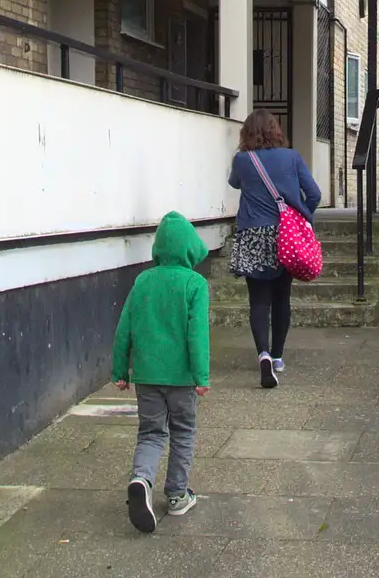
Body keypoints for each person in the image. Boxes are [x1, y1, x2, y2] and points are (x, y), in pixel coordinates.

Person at [111, 211, 210, 534]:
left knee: (151, 433)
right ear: (190, 248)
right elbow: (197, 334)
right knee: (182, 432)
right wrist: (201, 375)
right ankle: (178, 495)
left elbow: (124, 327)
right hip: (181, 379)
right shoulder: (194, 283)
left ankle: (141, 479)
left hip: (147, 376)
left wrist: (119, 371)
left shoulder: (143, 281)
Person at [227, 109, 321, 388]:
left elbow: (234, 183)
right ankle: (278, 356)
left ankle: (263, 355)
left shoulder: (243, 160)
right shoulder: (291, 157)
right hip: (285, 235)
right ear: (275, 131)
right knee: (282, 297)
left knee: (258, 300)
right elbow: (314, 193)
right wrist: (302, 215)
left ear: (247, 133)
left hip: (253, 233)